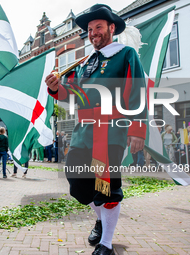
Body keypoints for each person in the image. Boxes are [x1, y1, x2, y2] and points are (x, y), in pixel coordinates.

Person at [45, 4, 147, 254]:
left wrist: (137, 128)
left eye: (98, 27)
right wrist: (56, 88)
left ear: (112, 28)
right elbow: (75, 95)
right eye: (90, 29)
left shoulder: (125, 54)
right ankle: (101, 218)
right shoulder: (85, 62)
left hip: (110, 131)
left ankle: (106, 244)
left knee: (106, 186)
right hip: (83, 131)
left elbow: (138, 91)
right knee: (77, 183)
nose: (93, 33)